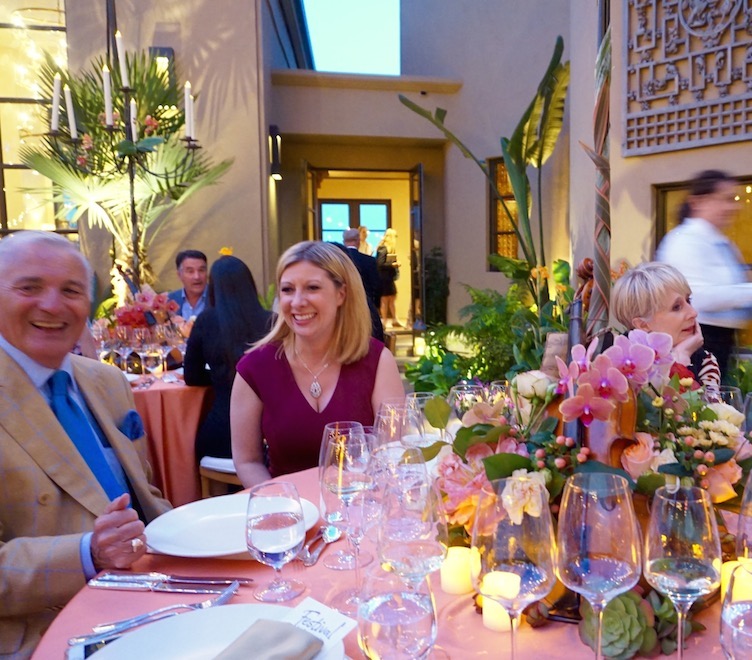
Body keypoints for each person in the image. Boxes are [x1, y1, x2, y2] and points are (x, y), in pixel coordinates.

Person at [0, 231, 170, 657]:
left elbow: (145, 495)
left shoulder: (106, 380)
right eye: (30, 287)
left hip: (157, 595)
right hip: (49, 629)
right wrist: (86, 553)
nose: (52, 305)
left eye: (71, 291)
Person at [230, 240, 404, 488]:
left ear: (341, 294)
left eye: (312, 288)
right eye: (288, 289)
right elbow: (247, 461)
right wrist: (280, 500)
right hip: (287, 507)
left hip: (359, 503)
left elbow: (392, 452)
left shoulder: (377, 361)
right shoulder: (254, 368)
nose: (297, 301)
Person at [656, 170, 752, 380]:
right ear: (698, 202)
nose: (733, 207)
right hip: (698, 341)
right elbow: (697, 296)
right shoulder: (684, 241)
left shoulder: (720, 241)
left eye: (733, 200)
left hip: (723, 341)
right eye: (725, 199)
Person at [184, 255, 273, 460]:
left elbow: (192, 376)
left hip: (221, 432)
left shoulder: (205, 321)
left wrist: (220, 375)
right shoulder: (271, 322)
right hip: (267, 432)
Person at [611, 261, 721, 390]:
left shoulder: (704, 360)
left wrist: (683, 355)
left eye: (688, 300)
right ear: (643, 325)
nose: (693, 313)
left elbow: (707, 403)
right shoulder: (620, 364)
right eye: (677, 307)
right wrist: (680, 361)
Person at [342, 228, 384, 341]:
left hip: (342, 310)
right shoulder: (369, 261)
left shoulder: (337, 262)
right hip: (366, 306)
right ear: (358, 241)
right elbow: (377, 286)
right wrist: (375, 306)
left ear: (344, 241)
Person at [167, 249, 209, 319]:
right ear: (179, 275)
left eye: (201, 270)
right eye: (190, 271)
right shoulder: (169, 300)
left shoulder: (219, 297)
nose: (197, 277)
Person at [376, 228, 402, 328]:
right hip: (384, 278)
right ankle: (384, 321)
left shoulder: (389, 249)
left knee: (392, 298)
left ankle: (394, 319)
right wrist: (393, 264)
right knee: (385, 300)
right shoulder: (383, 248)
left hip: (388, 278)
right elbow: (380, 263)